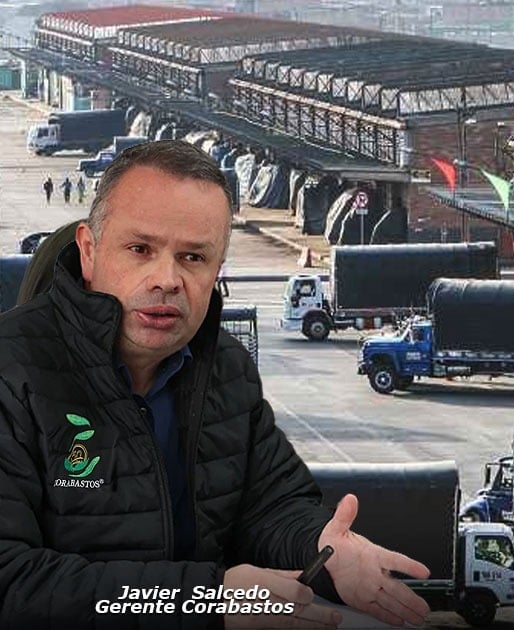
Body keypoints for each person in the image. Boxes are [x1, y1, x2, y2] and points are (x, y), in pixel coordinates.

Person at [0, 141, 432, 628]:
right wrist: (204, 601)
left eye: (193, 257)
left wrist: (324, 550)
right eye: (140, 249)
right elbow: (10, 581)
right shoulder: (13, 371)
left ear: (216, 270)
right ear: (89, 251)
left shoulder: (225, 366)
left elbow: (269, 506)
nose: (167, 278)